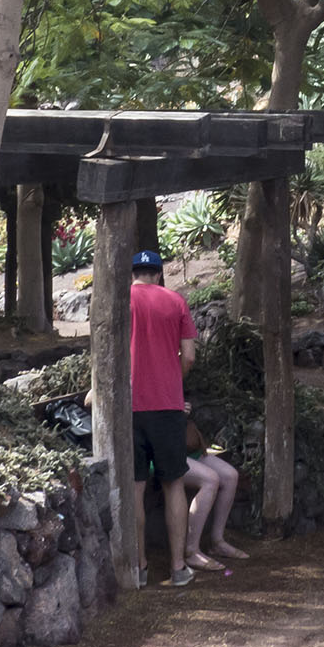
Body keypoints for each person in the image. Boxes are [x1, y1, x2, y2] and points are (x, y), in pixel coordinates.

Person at [128, 249, 198, 586]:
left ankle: (138, 568)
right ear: (158, 273)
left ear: (133, 273)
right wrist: (173, 378)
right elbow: (190, 357)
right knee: (174, 485)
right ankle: (177, 568)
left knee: (135, 488)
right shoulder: (176, 301)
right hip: (168, 406)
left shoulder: (120, 301)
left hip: (128, 407)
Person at [178, 415, 249, 572]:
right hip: (162, 450)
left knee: (230, 476)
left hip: (186, 447)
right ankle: (191, 551)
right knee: (210, 480)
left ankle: (217, 542)